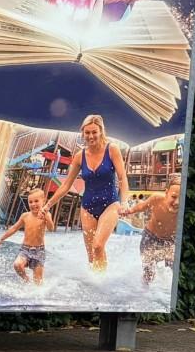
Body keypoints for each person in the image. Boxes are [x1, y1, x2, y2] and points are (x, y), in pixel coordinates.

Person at [45, 112, 133, 272]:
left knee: (98, 246)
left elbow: (122, 178)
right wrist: (48, 205)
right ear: (83, 133)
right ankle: (97, 281)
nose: (91, 136)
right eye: (87, 132)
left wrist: (125, 201)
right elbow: (66, 185)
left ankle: (102, 279)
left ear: (101, 131)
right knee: (92, 255)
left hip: (110, 204)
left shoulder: (112, 149)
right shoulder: (80, 157)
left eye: (94, 132)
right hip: (87, 208)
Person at [120, 175, 182, 286]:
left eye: (181, 198)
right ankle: (145, 290)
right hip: (150, 237)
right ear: (166, 193)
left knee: (172, 268)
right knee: (148, 272)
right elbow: (142, 206)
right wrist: (130, 211)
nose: (177, 202)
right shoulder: (157, 199)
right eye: (173, 197)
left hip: (171, 241)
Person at [0, 187, 56, 285]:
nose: (33, 204)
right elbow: (14, 228)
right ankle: (26, 279)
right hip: (25, 249)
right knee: (17, 265)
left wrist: (48, 218)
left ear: (43, 201)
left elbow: (51, 228)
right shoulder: (25, 216)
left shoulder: (46, 215)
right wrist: (1, 239)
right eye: (30, 202)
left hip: (39, 251)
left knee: (38, 283)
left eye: (36, 201)